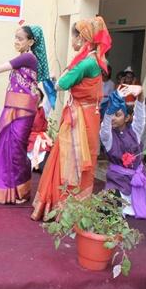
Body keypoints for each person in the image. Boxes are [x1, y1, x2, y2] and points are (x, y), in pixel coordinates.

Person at [31, 16, 111, 221]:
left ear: (82, 38)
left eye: (74, 36)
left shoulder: (86, 63)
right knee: (84, 159)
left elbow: (62, 84)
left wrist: (56, 81)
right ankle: (77, 207)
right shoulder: (98, 60)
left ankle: (61, 207)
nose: (72, 41)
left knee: (68, 159)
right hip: (90, 116)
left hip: (79, 118)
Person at [0, 25, 46, 204]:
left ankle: (20, 192)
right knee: (6, 148)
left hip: (22, 110)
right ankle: (3, 189)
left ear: (31, 42)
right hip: (13, 106)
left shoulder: (27, 57)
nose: (17, 41)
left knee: (15, 150)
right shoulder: (23, 57)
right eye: (16, 38)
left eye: (20, 38)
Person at [100, 88, 146, 219]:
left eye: (117, 115)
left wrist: (141, 94)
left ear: (127, 118)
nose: (112, 118)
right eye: (111, 114)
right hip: (118, 183)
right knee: (105, 208)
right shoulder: (108, 137)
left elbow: (140, 116)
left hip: (140, 180)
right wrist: (109, 111)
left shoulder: (135, 131)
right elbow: (105, 126)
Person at [27, 87, 54, 172]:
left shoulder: (43, 110)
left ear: (41, 100)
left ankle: (38, 165)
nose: (35, 96)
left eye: (38, 95)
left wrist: (51, 82)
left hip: (40, 137)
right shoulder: (24, 109)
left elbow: (51, 97)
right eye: (34, 94)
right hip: (27, 137)